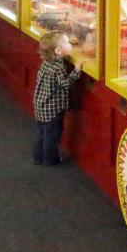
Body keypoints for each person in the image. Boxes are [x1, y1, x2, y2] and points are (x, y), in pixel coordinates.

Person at [33, 31, 81, 166]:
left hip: (40, 105)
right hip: (52, 109)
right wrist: (76, 71)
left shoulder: (46, 63)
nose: (70, 44)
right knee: (52, 135)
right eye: (67, 42)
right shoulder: (59, 67)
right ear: (58, 51)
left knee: (41, 133)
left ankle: (37, 157)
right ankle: (50, 159)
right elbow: (65, 84)